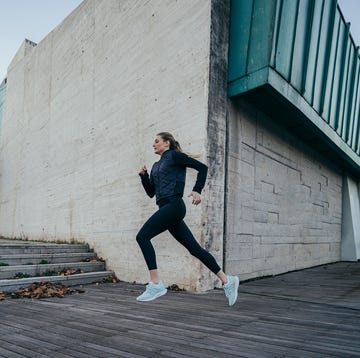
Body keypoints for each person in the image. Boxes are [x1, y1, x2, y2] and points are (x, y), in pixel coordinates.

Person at [136, 132, 239, 305]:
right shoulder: (155, 166)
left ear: (166, 143)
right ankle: (227, 281)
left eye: (157, 141)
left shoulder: (175, 156)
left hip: (174, 206)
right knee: (194, 249)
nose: (153, 144)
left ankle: (155, 284)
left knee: (142, 236)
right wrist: (144, 176)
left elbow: (203, 168)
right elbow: (151, 192)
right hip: (165, 208)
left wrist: (197, 189)